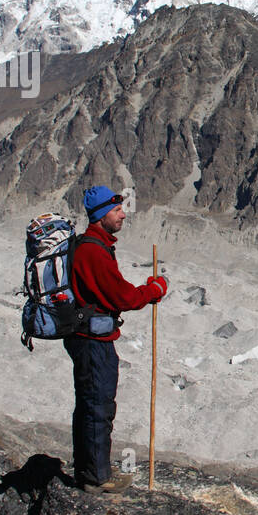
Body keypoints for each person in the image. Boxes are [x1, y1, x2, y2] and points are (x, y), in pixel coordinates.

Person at [63, 185, 168, 493]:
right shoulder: (93, 251)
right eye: (117, 210)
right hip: (93, 343)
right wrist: (155, 290)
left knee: (89, 405)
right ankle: (96, 478)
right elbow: (121, 296)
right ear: (100, 216)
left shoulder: (92, 245)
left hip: (85, 339)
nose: (123, 215)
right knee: (98, 407)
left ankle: (89, 470)